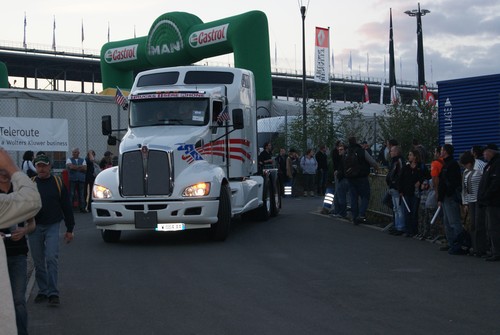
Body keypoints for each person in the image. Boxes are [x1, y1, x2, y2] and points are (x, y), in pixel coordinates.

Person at [0, 148, 41, 335]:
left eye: (5, 171)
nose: (3, 174)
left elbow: (32, 222)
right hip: (3, 253)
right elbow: (32, 201)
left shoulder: (18, 189)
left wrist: (24, 230)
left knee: (18, 300)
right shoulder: (18, 194)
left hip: (17, 253)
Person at [30, 154, 75, 305]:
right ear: (35, 167)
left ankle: (53, 293)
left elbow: (67, 206)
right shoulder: (30, 184)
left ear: (50, 166)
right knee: (38, 261)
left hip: (52, 226)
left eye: (44, 165)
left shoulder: (57, 182)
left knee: (51, 257)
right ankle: (43, 290)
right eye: (38, 166)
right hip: (34, 227)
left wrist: (70, 229)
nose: (41, 168)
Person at [438, 144, 465, 255]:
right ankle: (451, 243)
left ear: (446, 151)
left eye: (442, 150)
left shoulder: (452, 164)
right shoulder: (446, 164)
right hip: (445, 197)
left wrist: (447, 193)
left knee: (453, 221)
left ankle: (458, 244)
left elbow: (453, 182)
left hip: (449, 197)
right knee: (447, 222)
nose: (440, 152)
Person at [344, 136, 379, 224]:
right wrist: (376, 168)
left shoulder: (347, 152)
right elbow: (372, 162)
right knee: (365, 196)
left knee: (353, 198)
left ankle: (354, 217)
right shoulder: (361, 151)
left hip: (350, 178)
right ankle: (361, 214)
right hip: (362, 177)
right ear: (356, 142)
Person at [459, 151, 486, 257]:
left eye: (465, 164)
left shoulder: (480, 167)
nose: (465, 167)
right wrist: (465, 203)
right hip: (471, 200)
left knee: (480, 224)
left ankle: (481, 249)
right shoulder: (467, 171)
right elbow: (464, 188)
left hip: (480, 200)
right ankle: (475, 248)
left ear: (470, 162)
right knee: (472, 224)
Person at [477, 144, 500, 261]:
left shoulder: (496, 164)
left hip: (494, 201)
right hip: (489, 201)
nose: (484, 154)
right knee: (490, 227)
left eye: (485, 152)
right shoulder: (489, 165)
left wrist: (486, 195)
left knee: (494, 227)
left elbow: (495, 183)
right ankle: (493, 250)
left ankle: (497, 252)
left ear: (491, 152)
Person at [398, 149, 425, 237]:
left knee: (414, 211)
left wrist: (420, 182)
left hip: (415, 193)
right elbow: (400, 179)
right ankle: (408, 230)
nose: (409, 156)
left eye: (410, 155)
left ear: (415, 157)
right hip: (406, 192)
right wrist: (401, 190)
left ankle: (414, 230)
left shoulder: (420, 167)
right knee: (407, 211)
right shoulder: (406, 167)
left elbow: (425, 176)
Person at [386, 145, 405, 235]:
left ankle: (400, 227)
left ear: (396, 152)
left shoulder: (398, 161)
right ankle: (397, 226)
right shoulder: (394, 162)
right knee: (396, 208)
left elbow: (400, 175)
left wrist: (395, 184)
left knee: (398, 208)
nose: (390, 152)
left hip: (396, 187)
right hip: (393, 187)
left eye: (392, 151)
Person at [66, 148, 87, 212]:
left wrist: (75, 167)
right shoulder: (69, 159)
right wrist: (80, 167)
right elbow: (71, 167)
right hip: (72, 179)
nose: (73, 153)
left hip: (81, 179)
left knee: (81, 194)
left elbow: (85, 168)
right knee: (71, 194)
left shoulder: (83, 159)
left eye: (75, 152)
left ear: (78, 153)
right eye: (73, 152)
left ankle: (82, 208)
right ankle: (70, 208)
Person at [332, 143, 348, 218]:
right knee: (338, 196)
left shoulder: (345, 158)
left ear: (345, 150)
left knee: (341, 196)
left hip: (343, 178)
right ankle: (338, 211)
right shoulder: (342, 158)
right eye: (339, 149)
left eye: (341, 149)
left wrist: (339, 173)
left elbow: (344, 169)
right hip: (342, 178)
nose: (339, 151)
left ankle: (342, 212)